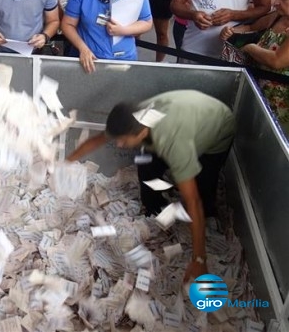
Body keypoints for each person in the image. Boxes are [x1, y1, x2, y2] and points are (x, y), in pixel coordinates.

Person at [67, 90, 235, 282]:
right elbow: (98, 139)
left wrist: (199, 258)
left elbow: (193, 200)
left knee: (202, 191)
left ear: (143, 132)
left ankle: (206, 225)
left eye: (123, 140)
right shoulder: (133, 118)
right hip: (190, 114)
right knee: (145, 161)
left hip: (218, 127)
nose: (120, 145)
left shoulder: (173, 143)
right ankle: (154, 207)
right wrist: (66, 162)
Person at [220, 0, 289, 134]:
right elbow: (251, 27)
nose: (276, 2)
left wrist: (250, 48)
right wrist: (232, 32)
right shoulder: (278, 16)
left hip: (282, 104)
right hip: (258, 92)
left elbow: (277, 61)